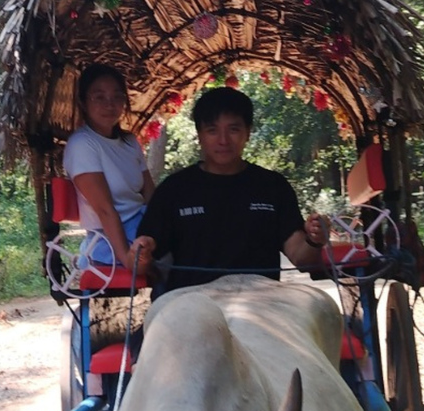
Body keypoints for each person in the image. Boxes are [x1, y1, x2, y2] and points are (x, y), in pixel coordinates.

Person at [129, 86, 329, 293]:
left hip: (261, 302)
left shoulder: (273, 186)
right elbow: (141, 263)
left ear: (248, 132)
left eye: (233, 129)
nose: (223, 140)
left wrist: (314, 240)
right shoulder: (174, 189)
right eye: (212, 130)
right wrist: (140, 253)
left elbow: (301, 258)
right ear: (199, 135)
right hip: (191, 302)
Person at [63, 63, 155, 269]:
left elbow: (150, 194)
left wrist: (161, 227)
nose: (109, 104)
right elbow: (105, 210)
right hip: (110, 240)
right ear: (83, 103)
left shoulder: (130, 142)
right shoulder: (82, 144)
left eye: (117, 97)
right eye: (99, 97)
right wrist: (127, 258)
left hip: (143, 226)